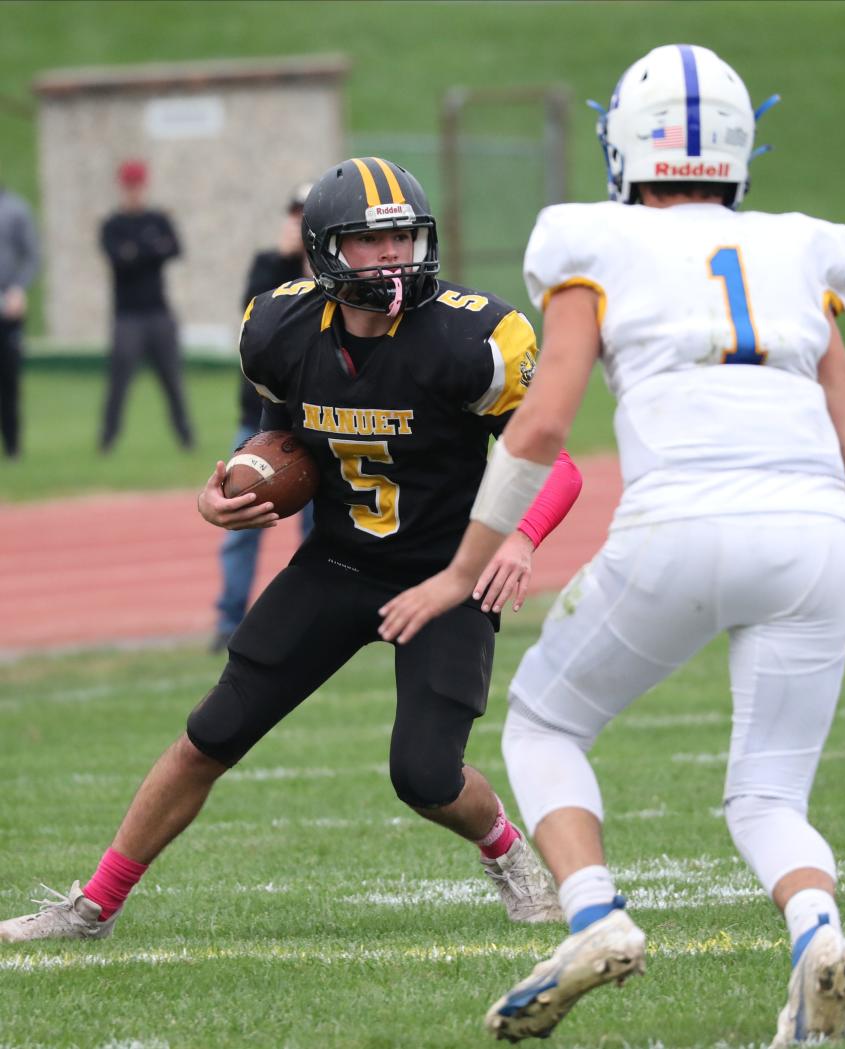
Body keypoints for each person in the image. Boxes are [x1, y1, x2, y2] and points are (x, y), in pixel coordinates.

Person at [379, 45, 845, 1045]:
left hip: (680, 517)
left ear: (624, 147)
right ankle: (817, 931)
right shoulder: (800, 247)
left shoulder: (586, 238)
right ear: (740, 149)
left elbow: (542, 422)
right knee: (768, 791)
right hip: (821, 527)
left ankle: (596, 917)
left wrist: (461, 570)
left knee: (543, 724)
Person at [0, 156, 585, 945]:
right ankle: (93, 906)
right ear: (324, 253)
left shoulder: (471, 337)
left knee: (424, 775)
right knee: (212, 731)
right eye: (373, 244)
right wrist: (230, 486)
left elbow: (557, 461)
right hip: (340, 561)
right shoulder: (276, 329)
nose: (395, 258)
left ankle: (506, 850)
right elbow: (283, 438)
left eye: (406, 238)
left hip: (448, 572)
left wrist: (518, 535)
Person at [211, 182, 315, 652]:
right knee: (241, 512)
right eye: (293, 212)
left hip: (319, 423)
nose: (299, 221)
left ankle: (317, 621)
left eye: (307, 214)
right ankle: (229, 619)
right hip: (260, 421)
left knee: (319, 528)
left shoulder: (351, 275)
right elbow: (253, 318)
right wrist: (282, 256)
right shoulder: (268, 265)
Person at [99, 158, 193, 453]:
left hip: (158, 313)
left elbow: (174, 248)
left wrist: (137, 252)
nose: (134, 192)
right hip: (127, 316)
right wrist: (151, 249)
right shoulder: (112, 225)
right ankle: (107, 440)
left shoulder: (157, 219)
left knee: (173, 381)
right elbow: (120, 259)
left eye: (138, 186)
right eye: (129, 187)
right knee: (118, 383)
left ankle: (186, 439)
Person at [0, 174, 40, 459]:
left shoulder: (15, 209)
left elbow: (32, 255)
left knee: (8, 381)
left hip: (7, 303)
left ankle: (13, 448)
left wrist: (18, 289)